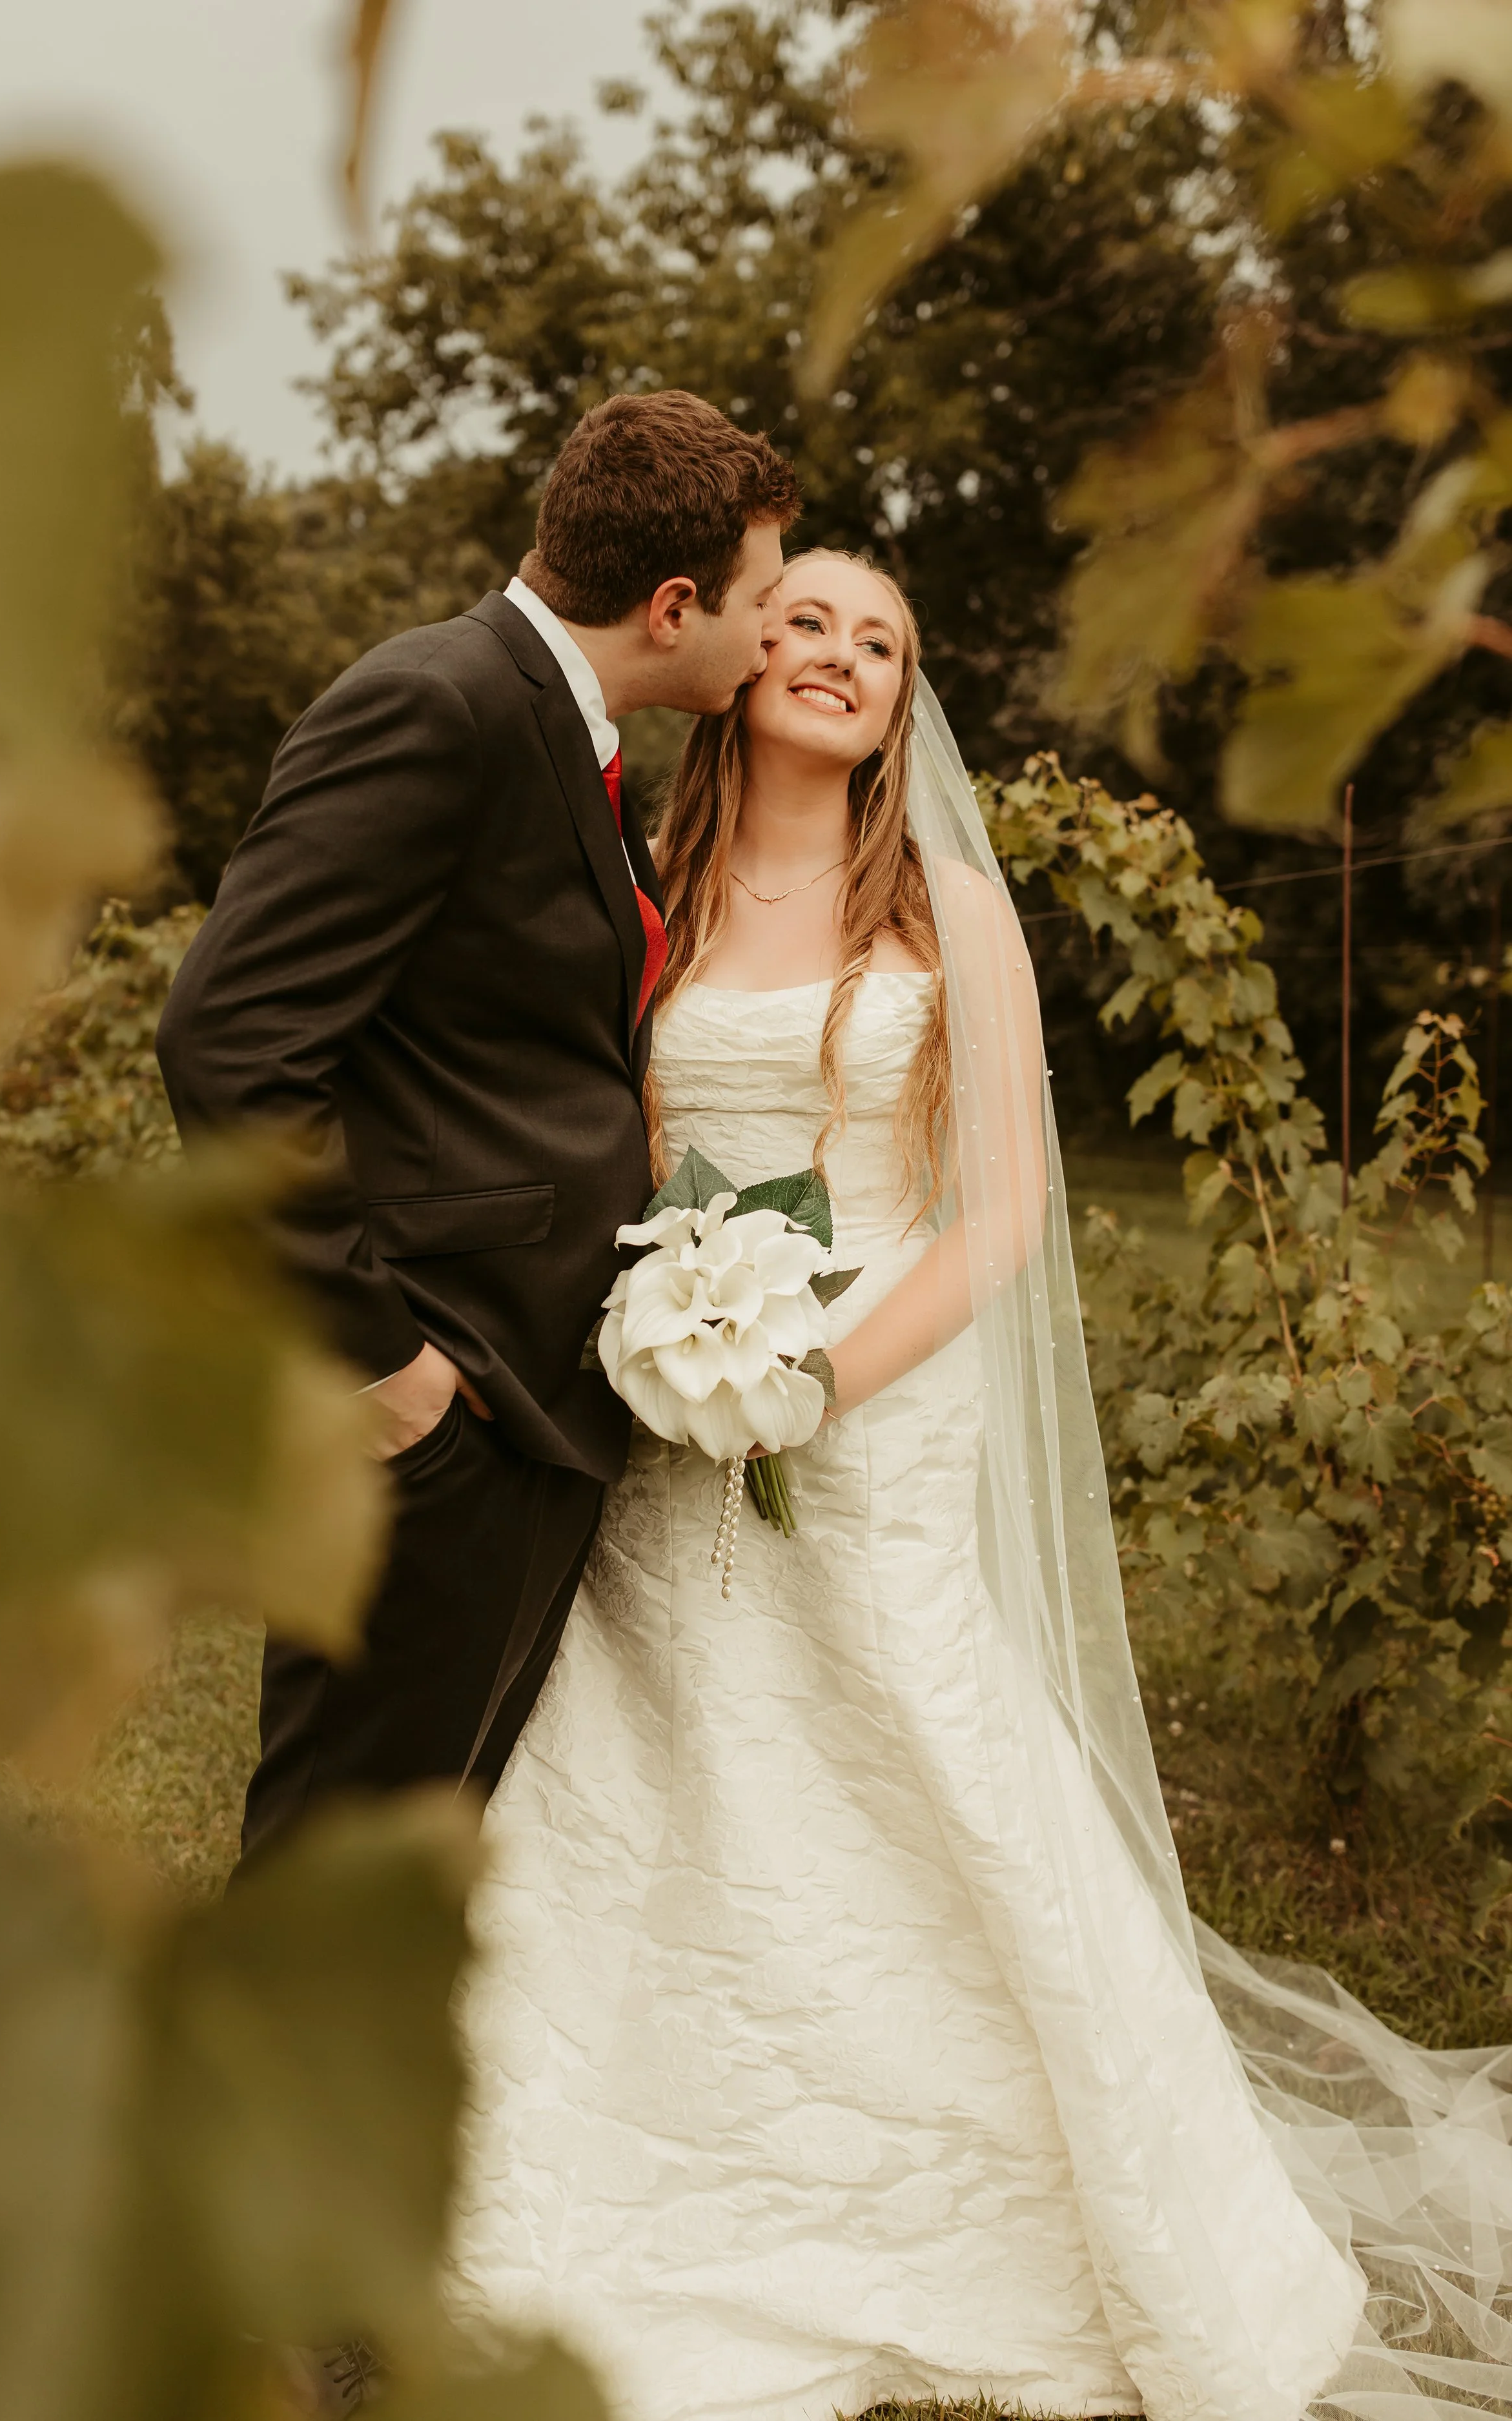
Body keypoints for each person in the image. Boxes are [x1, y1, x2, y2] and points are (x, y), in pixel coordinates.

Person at [453, 551, 1512, 2421]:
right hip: (666, 1395)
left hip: (877, 1400)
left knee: (915, 1741)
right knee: (655, 1744)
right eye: (806, 622)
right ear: (736, 652)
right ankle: (609, 2174)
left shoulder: (946, 903)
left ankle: (1030, 2196)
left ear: (903, 700)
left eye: (880, 642)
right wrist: (670, 1343)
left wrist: (806, 1379)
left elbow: (1003, 1213)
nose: (840, 657)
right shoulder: (650, 893)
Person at [156, 389, 799, 1864]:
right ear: (674, 602)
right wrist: (383, 1366)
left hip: (521, 1392)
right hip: (431, 1395)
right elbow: (228, 1040)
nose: (770, 638)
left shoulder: (571, 735)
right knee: (337, 1851)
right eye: (762, 604)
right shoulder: (434, 703)